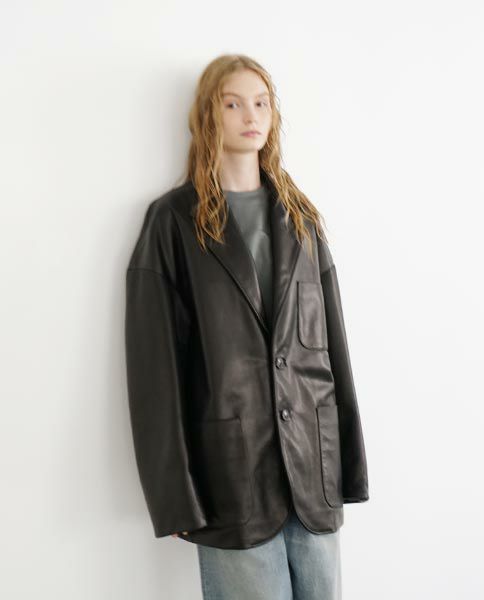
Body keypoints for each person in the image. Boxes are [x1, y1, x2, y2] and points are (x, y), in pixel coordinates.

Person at [125, 54, 369, 600]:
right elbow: (153, 371)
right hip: (231, 478)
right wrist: (175, 497)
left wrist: (348, 467)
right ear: (208, 116)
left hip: (313, 470)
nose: (250, 115)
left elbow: (334, 347)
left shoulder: (301, 219)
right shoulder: (174, 222)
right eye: (232, 103)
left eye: (260, 103)